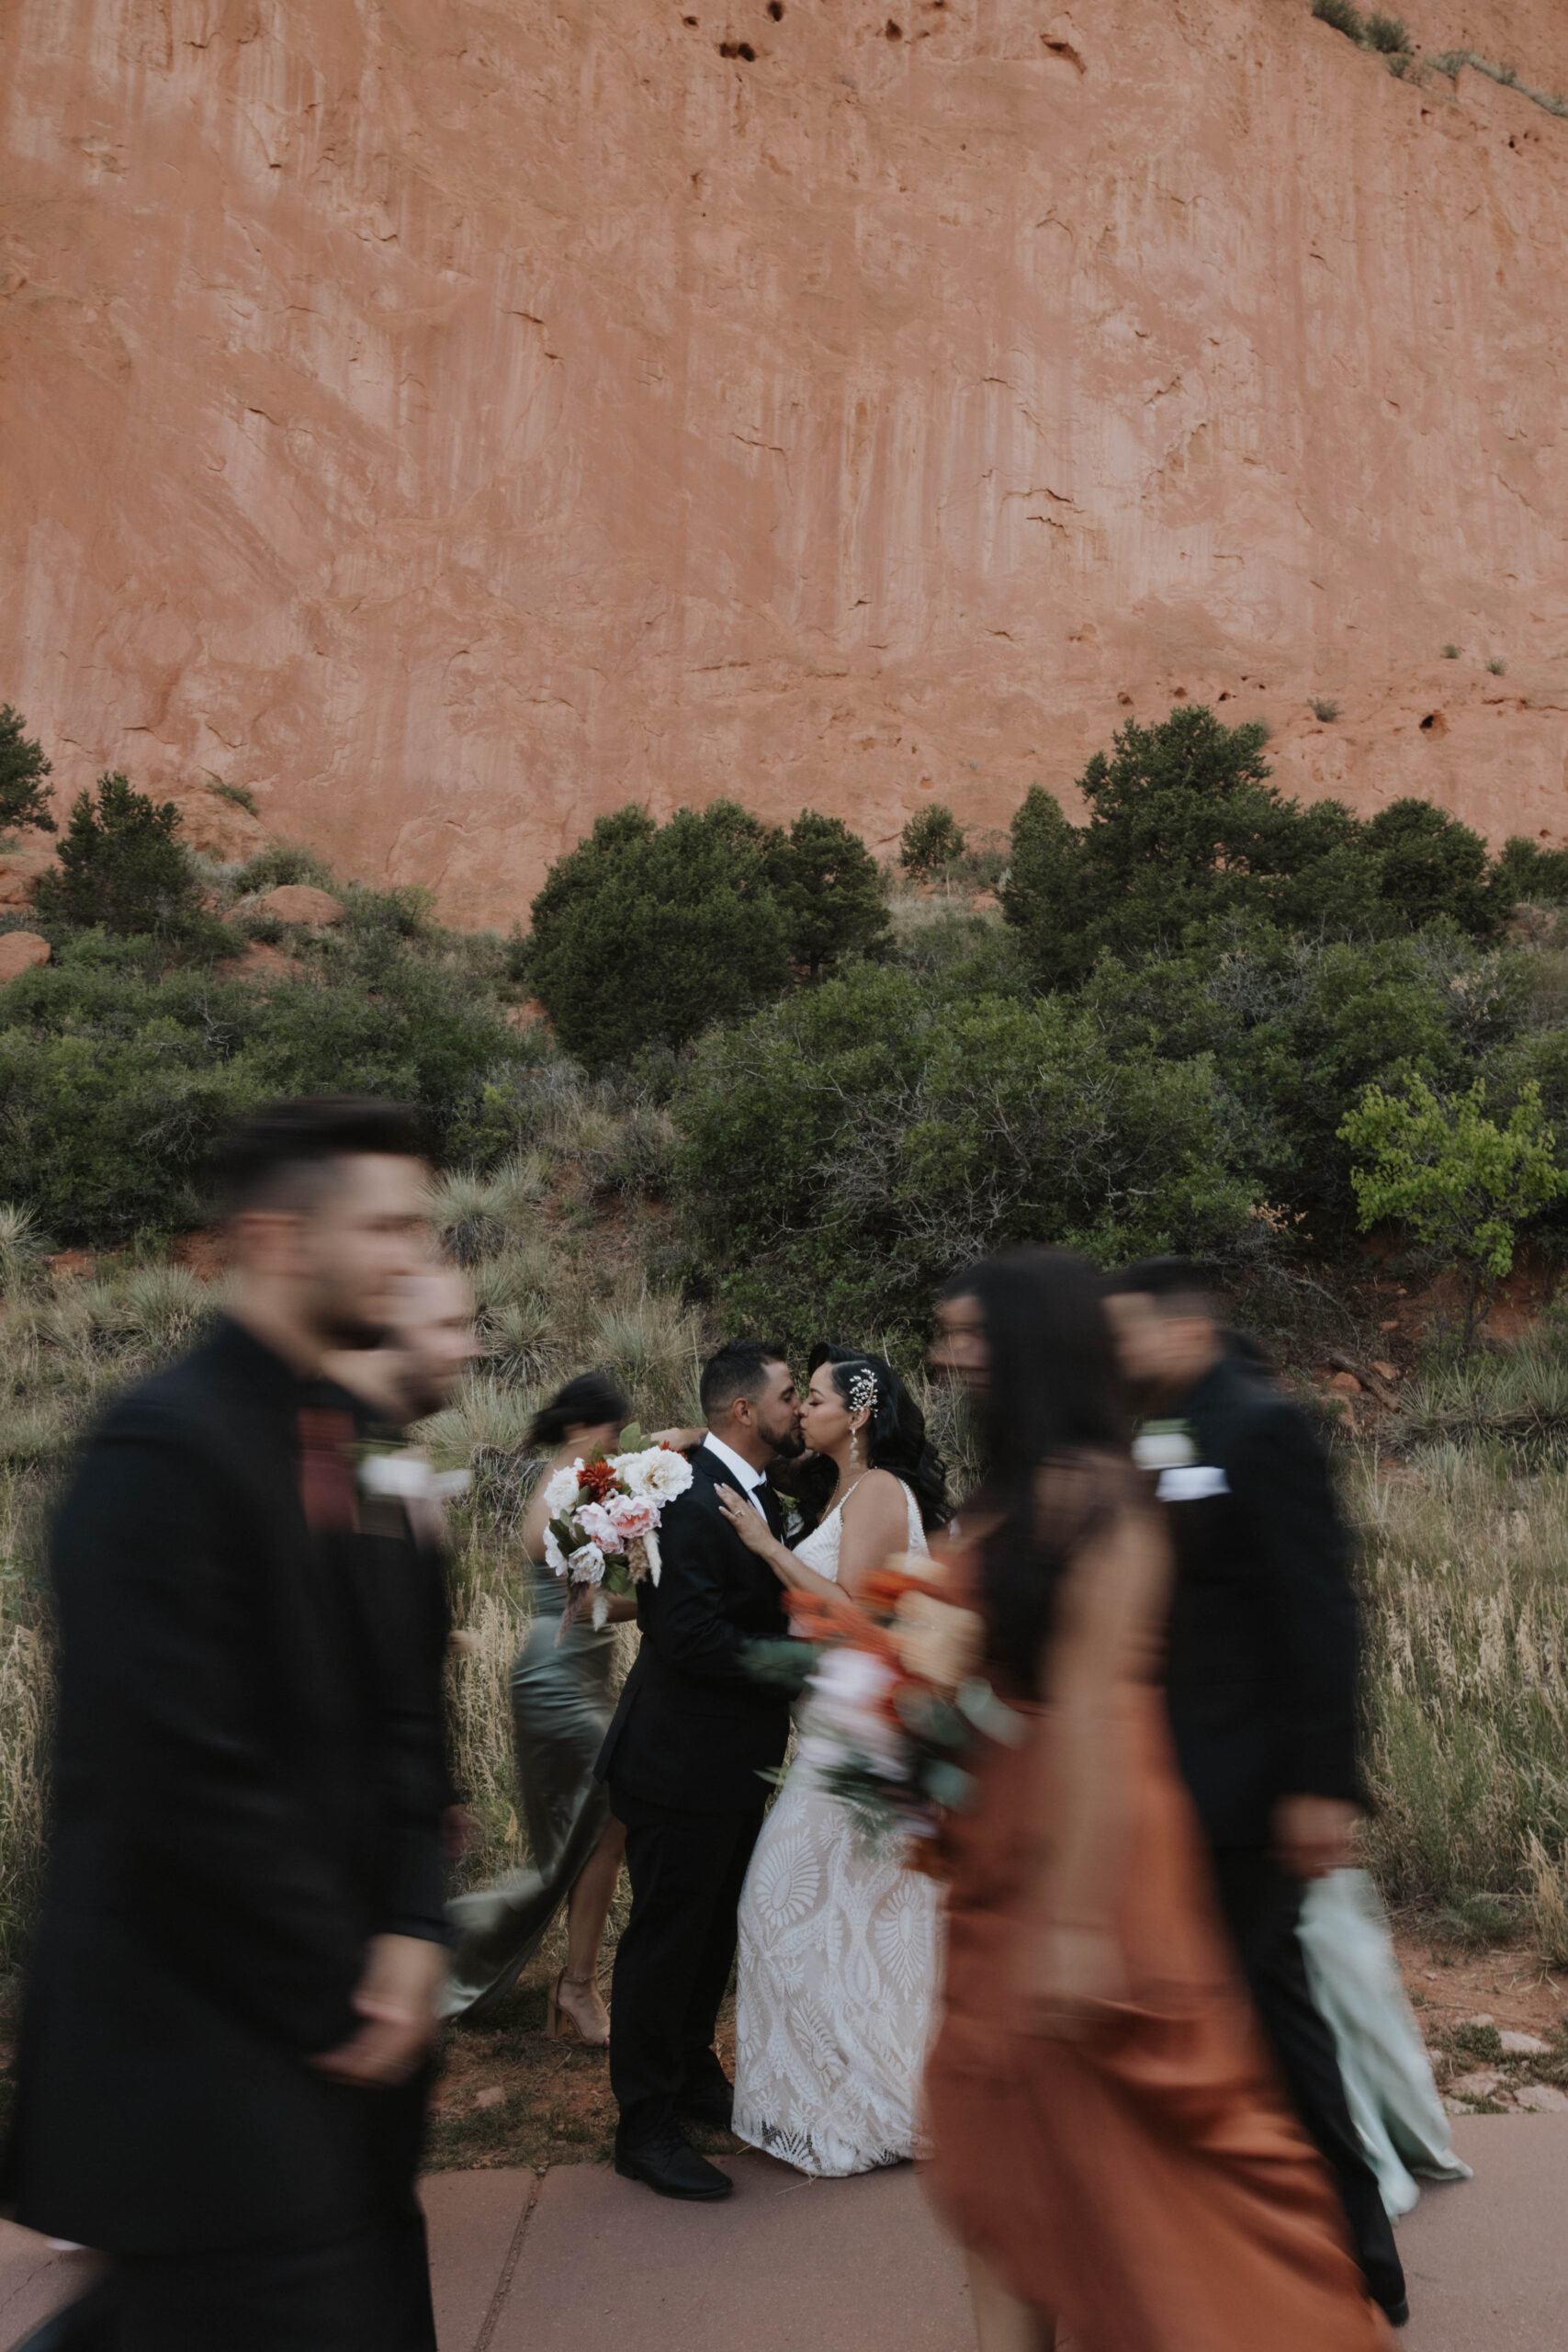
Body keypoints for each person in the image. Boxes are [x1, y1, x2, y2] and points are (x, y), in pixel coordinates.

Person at [5, 1097, 449, 2352]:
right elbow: (172, 1769)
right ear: (274, 1238)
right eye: (386, 1228)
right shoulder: (156, 1451)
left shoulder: (358, 1438)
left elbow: (405, 1711)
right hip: (197, 2052)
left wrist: (416, 1920)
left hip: (340, 2052)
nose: (413, 1257)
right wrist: (343, 1988)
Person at [921, 1250, 1384, 2352]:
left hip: (1108, 1835)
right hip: (999, 1846)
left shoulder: (1117, 1488)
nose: (949, 1354)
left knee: (1166, 2142)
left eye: (972, 1334)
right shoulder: (1008, 1490)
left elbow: (1114, 1702)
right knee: (995, 2158)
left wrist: (1082, 1918)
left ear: (1030, 1344)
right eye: (946, 1333)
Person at [1103, 1258, 1408, 2327]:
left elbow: (1321, 1612)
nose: (1116, 1352)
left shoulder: (1264, 1428)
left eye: (1127, 1332)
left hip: (1248, 1789)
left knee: (1265, 2015)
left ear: (1181, 1330)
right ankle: (1242, 2231)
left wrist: (1322, 1784)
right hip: (1164, 1785)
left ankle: (1350, 2230)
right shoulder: (1156, 1431)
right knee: (1224, 2011)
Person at [716, 1347, 949, 2176]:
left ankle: (870, 2104)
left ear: (855, 1414)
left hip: (859, 1737)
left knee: (781, 1910)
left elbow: (853, 1616)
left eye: (811, 1399)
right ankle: (862, 2096)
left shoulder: (882, 1489)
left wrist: (765, 1550)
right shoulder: (840, 1489)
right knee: (854, 1923)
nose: (800, 1411)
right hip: (830, 1732)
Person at [597, 1340, 804, 2201]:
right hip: (679, 1760)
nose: (797, 1406)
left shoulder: (754, 1491)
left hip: (730, 1762)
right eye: (788, 1395)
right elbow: (685, 1638)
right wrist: (801, 1662)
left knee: (712, 1929)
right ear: (743, 1411)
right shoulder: (685, 1501)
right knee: (666, 1940)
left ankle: (690, 2073)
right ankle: (643, 2126)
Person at [442, 1372, 637, 2042]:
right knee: (586, 1831)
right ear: (583, 1428)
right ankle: (548, 1979)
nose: (618, 1441)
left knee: (596, 1831)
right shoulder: (575, 1485)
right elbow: (599, 1601)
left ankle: (575, 1987)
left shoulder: (589, 1482)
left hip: (580, 1673)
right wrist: (677, 1591)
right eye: (613, 1429)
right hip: (557, 1680)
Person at [327, 1262, 485, 1871]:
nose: (470, 1346)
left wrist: (436, 1795)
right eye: (448, 1325)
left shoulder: (389, 1452)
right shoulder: (335, 1453)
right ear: (383, 1331)